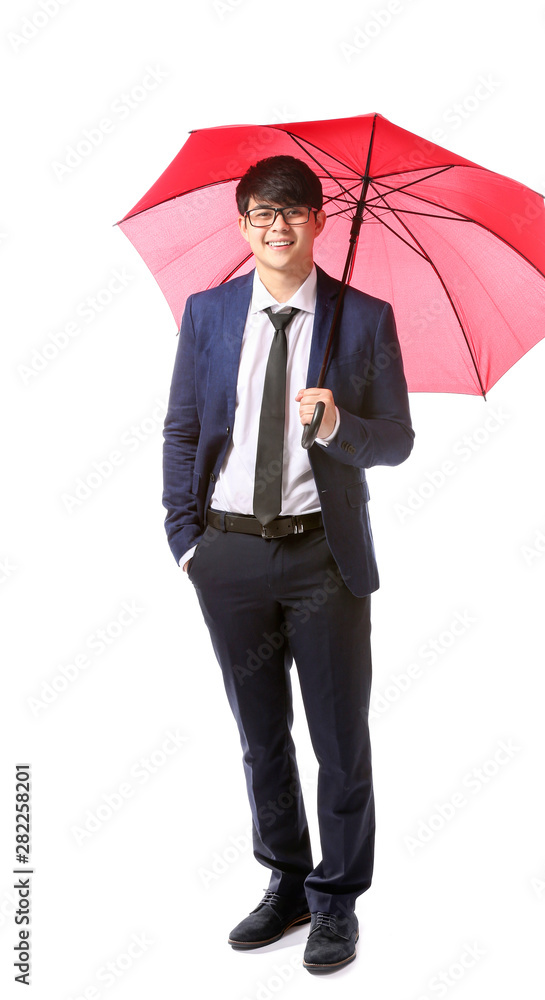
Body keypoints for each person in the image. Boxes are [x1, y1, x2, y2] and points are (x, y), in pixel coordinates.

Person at [162, 154, 414, 974]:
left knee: (340, 738)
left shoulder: (363, 319)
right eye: (262, 214)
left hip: (322, 559)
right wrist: (187, 540)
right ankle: (289, 882)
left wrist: (342, 425)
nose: (277, 227)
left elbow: (399, 440)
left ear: (318, 220)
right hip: (228, 553)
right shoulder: (207, 312)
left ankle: (338, 898)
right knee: (260, 733)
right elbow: (183, 430)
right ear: (243, 225)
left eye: (293, 212)